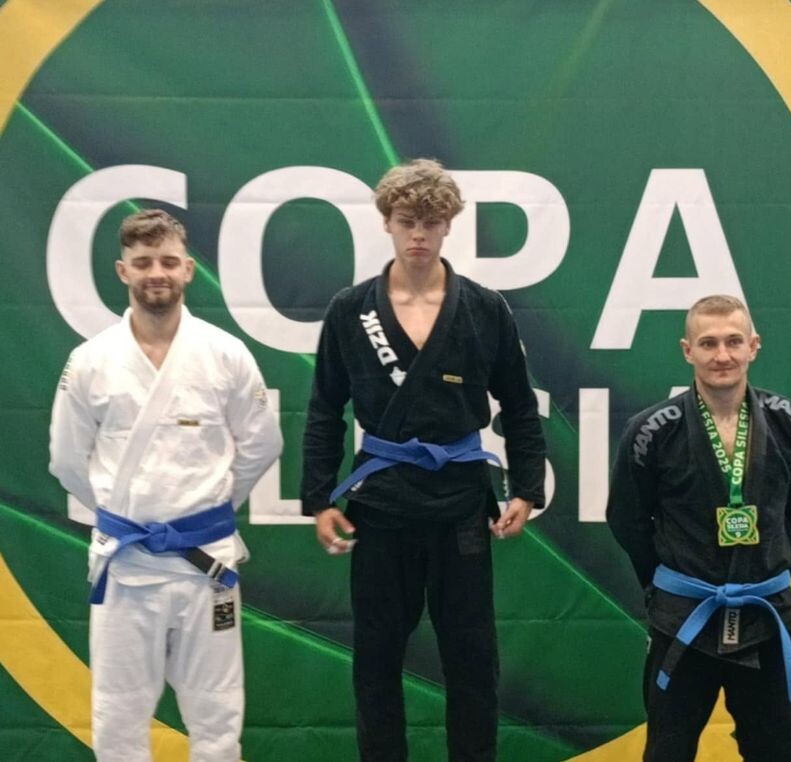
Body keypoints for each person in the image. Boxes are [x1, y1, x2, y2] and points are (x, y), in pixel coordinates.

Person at [301, 158, 545, 761]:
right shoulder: (351, 310)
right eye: (407, 221)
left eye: (431, 223)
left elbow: (519, 404)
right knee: (376, 659)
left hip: (460, 502)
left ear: (448, 226)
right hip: (382, 504)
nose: (418, 235)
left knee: (472, 660)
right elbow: (325, 407)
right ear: (386, 222)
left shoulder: (484, 308)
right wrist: (319, 499)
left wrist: (525, 488)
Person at [49, 209, 283, 762]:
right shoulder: (90, 361)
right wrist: (121, 511)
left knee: (217, 711)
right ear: (123, 271)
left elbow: (262, 444)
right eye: (144, 262)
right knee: (118, 711)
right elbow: (66, 459)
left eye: (169, 262)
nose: (157, 272)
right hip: (126, 562)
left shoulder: (225, 354)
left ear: (188, 270)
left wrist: (211, 507)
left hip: (206, 563)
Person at [607, 295, 791, 762]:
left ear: (754, 346)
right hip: (684, 618)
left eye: (733, 341)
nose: (722, 355)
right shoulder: (650, 432)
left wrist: (771, 562)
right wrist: (665, 581)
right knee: (667, 751)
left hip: (764, 617)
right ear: (687, 350)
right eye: (708, 343)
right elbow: (626, 518)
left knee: (774, 752)